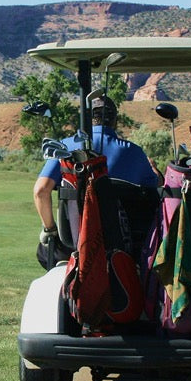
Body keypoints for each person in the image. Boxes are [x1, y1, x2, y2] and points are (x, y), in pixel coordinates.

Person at [33, 95, 158, 260]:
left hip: (73, 242)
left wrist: (50, 230)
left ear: (86, 118)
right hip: (121, 245)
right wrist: (154, 168)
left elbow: (41, 190)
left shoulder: (65, 147)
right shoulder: (134, 152)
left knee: (43, 254)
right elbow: (155, 185)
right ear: (115, 120)